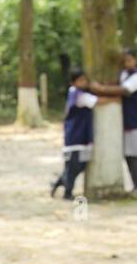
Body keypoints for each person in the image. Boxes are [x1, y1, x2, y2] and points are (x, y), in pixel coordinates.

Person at [88, 48, 137, 194]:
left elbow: (124, 90)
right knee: (129, 155)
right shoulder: (124, 74)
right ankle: (136, 185)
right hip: (127, 121)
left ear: (135, 60)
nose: (127, 63)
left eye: (129, 60)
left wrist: (101, 88)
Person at [50, 67, 118, 200]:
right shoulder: (79, 95)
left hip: (81, 137)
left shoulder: (75, 92)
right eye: (80, 80)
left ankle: (58, 183)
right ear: (73, 82)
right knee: (74, 166)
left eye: (85, 80)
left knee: (78, 166)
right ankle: (67, 192)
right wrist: (115, 99)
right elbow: (97, 101)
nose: (84, 83)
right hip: (76, 137)